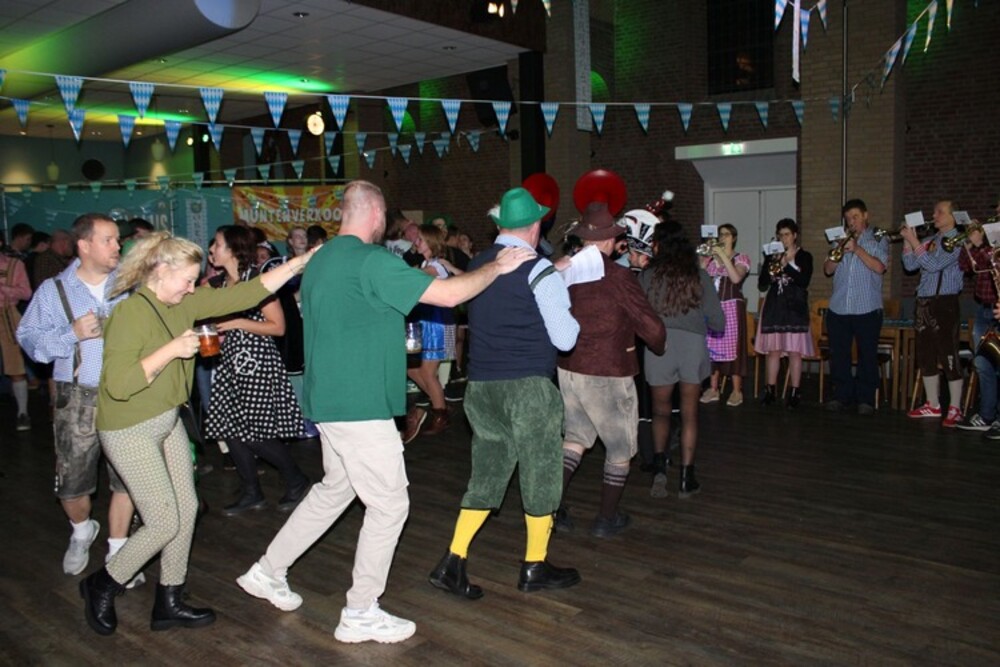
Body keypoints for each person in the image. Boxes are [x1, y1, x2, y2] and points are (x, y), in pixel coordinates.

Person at [236, 180, 534, 644]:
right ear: (376, 215)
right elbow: (449, 296)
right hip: (359, 405)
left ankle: (268, 570)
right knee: (390, 505)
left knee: (335, 490)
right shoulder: (371, 260)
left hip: (327, 401)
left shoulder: (321, 260)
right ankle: (360, 611)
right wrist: (497, 266)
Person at [79, 231, 314, 636]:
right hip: (129, 428)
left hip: (167, 420)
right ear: (160, 270)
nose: (193, 288)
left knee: (186, 509)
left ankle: (169, 600)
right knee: (162, 522)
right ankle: (102, 584)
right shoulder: (131, 314)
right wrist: (173, 349)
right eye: (187, 279)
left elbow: (247, 293)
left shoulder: (184, 302)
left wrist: (298, 263)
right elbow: (117, 385)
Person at [429, 187, 580, 602]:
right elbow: (565, 339)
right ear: (535, 226)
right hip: (528, 387)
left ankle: (453, 559)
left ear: (501, 226)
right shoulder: (540, 269)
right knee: (541, 473)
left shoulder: (478, 264)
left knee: (488, 474)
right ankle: (535, 565)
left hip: (481, 388)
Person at [17, 214, 140, 582]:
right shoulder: (54, 290)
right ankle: (82, 529)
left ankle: (119, 552)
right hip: (77, 398)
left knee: (127, 479)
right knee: (71, 485)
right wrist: (71, 333)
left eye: (118, 239)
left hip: (127, 395)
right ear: (84, 245)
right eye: (109, 240)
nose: (118, 246)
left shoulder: (130, 285)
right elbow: (30, 341)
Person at [555, 203, 666, 537]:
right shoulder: (617, 276)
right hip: (607, 370)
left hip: (569, 367)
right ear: (608, 240)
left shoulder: (564, 269)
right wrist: (659, 343)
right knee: (620, 447)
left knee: (575, 438)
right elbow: (649, 324)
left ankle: (552, 509)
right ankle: (606, 518)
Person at [202, 225, 311, 516]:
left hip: (257, 365)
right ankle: (252, 492)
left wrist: (237, 323)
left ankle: (297, 480)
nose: (211, 249)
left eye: (217, 244)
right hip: (229, 364)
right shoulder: (218, 284)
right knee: (230, 429)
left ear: (233, 249)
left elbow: (278, 327)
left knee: (255, 433)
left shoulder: (257, 281)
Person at [641, 221, 724, 499]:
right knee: (689, 414)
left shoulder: (648, 276)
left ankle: (660, 472)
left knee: (660, 413)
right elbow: (718, 322)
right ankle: (687, 479)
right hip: (692, 347)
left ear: (658, 245)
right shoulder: (699, 276)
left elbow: (638, 315)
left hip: (659, 347)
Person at [823, 199, 889, 415]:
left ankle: (865, 398)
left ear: (865, 216)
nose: (851, 222)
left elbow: (880, 267)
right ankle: (841, 395)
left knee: (867, 355)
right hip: (839, 307)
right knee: (839, 355)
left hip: (867, 308)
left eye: (855, 217)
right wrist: (840, 250)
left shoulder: (878, 237)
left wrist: (857, 249)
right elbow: (828, 269)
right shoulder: (840, 240)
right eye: (848, 218)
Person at [903, 200, 964, 426]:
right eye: (935, 211)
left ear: (953, 217)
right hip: (924, 302)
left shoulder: (957, 240)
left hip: (944, 302)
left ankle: (955, 407)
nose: (934, 215)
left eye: (940, 212)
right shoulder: (930, 240)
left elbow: (934, 265)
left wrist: (914, 241)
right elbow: (910, 265)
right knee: (925, 354)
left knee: (948, 354)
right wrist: (908, 241)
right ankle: (933, 404)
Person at [402, 224, 456, 443]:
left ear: (431, 242)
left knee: (427, 372)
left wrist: (401, 271)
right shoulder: (425, 263)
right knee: (411, 369)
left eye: (420, 240)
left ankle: (440, 414)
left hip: (436, 323)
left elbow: (424, 275)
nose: (416, 242)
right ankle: (439, 403)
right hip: (424, 322)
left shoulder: (437, 265)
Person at [755, 218, 815, 409]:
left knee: (794, 351)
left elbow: (803, 281)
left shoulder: (804, 256)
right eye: (780, 235)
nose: (783, 238)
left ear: (795, 235)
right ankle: (770, 390)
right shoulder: (772, 255)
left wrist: (786, 264)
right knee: (773, 351)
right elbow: (762, 283)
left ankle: (795, 391)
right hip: (775, 305)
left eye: (787, 234)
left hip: (795, 307)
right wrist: (771, 262)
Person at [957, 197, 1000, 436]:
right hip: (985, 308)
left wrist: (981, 243)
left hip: (998, 307)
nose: (997, 211)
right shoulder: (990, 237)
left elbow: (993, 261)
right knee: (984, 363)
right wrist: (970, 244)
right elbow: (966, 266)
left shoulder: (993, 241)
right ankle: (986, 415)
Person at [700, 224, 751, 407]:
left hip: (731, 307)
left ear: (734, 238)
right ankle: (713, 388)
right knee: (711, 349)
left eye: (726, 235)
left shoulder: (741, 258)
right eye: (720, 234)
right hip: (712, 308)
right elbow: (698, 280)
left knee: (733, 350)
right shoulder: (711, 260)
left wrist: (722, 256)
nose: (722, 237)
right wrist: (706, 260)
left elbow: (736, 278)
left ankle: (737, 391)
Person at [1, 248, 32, 429]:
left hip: (8, 316)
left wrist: (4, 288)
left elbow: (26, 292)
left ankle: (22, 412)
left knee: (15, 365)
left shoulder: (14, 264)